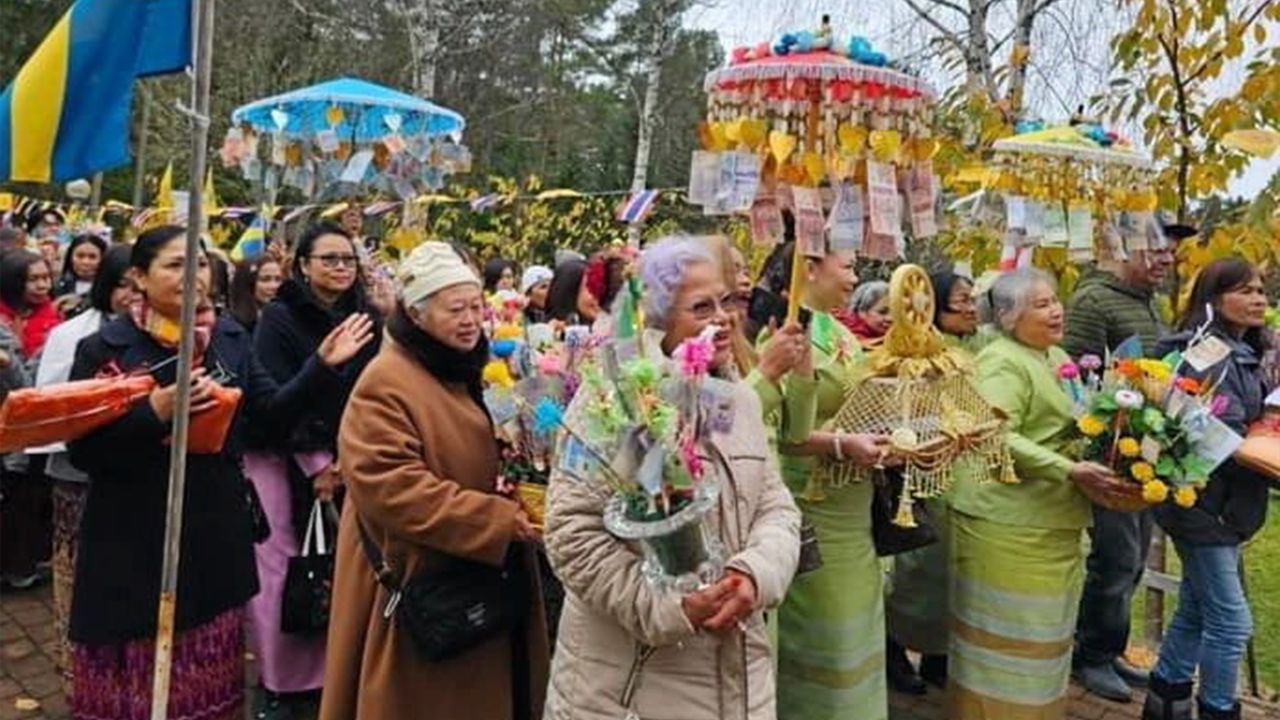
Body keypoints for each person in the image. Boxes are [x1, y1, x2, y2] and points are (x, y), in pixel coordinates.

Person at [65, 225, 374, 720]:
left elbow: (268, 413)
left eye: (200, 264)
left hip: (213, 533)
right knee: (137, 686)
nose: (192, 276)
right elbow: (82, 451)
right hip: (133, 538)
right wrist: (156, 412)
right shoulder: (106, 349)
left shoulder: (229, 339)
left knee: (207, 686)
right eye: (174, 265)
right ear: (140, 277)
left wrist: (319, 366)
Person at [543, 236, 801, 719]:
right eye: (701, 307)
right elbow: (571, 534)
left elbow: (775, 506)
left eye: (727, 301)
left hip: (739, 683)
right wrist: (671, 608)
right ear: (658, 317)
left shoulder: (734, 400)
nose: (723, 318)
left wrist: (754, 575)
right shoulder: (619, 405)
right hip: (629, 690)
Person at [322, 241, 548, 720]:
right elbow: (394, 491)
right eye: (455, 310)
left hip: (475, 580)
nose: (470, 321)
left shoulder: (464, 370)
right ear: (418, 315)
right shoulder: (386, 381)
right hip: (418, 584)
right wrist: (498, 519)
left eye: (475, 307)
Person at [948, 268, 1129, 720]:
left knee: (1042, 648)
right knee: (1005, 648)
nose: (1056, 310)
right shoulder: (1002, 361)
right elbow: (990, 433)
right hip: (1008, 528)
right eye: (1042, 304)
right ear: (1008, 317)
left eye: (1055, 301)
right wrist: (1069, 469)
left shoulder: (1054, 356)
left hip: (1051, 522)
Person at [245, 221, 382, 719]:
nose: (341, 268)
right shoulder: (279, 320)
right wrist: (317, 462)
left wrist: (354, 453)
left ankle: (340, 669)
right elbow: (273, 403)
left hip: (355, 458)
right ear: (303, 265)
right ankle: (284, 684)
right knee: (288, 570)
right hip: (286, 463)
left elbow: (375, 388)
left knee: (345, 566)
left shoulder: (366, 317)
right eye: (329, 259)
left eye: (348, 259)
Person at [767, 241, 896, 720]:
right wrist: (844, 445)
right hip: (811, 506)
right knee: (824, 635)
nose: (854, 277)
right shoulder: (782, 331)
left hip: (852, 505)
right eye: (849, 266)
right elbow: (780, 432)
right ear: (810, 267)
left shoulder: (838, 330)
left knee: (858, 635)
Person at [1143, 258, 1271, 720]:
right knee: (1232, 623)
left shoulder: (1244, 351)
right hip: (1201, 507)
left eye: (1260, 290)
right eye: (1244, 290)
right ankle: (1218, 709)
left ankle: (1165, 703)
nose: (1258, 298)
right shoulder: (1201, 352)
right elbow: (1210, 430)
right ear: (1214, 300)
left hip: (1230, 506)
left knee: (1196, 613)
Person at [1063, 240, 1175, 701]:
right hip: (1110, 454)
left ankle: (1107, 649)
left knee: (1133, 562)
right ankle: (1090, 656)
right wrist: (1098, 442)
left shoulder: (1151, 303)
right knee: (1116, 559)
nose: (1166, 259)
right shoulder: (1094, 300)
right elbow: (1075, 376)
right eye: (1156, 250)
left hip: (1146, 452)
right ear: (1120, 250)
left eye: (1171, 252)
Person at [25, 245, 136, 691]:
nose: (132, 294)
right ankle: (78, 673)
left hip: (135, 478)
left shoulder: (172, 335)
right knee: (76, 574)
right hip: (76, 475)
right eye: (123, 284)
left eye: (139, 282)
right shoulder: (72, 334)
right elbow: (48, 402)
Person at [881, 270, 980, 696]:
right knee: (917, 573)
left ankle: (939, 657)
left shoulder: (976, 348)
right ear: (930, 304)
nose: (972, 306)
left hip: (961, 477)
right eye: (961, 300)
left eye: (973, 298)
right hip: (922, 477)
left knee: (952, 573)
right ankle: (895, 649)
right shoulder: (912, 356)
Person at [0, 249, 60, 590]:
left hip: (33, 426)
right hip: (7, 422)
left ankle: (19, 566)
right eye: (32, 279)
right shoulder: (2, 324)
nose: (42, 285)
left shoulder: (54, 321)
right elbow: (22, 386)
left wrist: (11, 364)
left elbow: (34, 386)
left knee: (27, 500)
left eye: (45, 278)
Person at [227, 256, 284, 333]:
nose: (274, 286)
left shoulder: (285, 321)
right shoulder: (230, 326)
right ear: (247, 283)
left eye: (278, 279)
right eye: (265, 279)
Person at [53, 234, 107, 305]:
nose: (85, 262)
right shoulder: (56, 286)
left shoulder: (110, 290)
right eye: (80, 256)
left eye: (92, 257)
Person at [838, 280, 891, 346]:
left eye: (894, 312)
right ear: (862, 311)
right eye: (882, 312)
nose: (890, 318)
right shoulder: (846, 335)